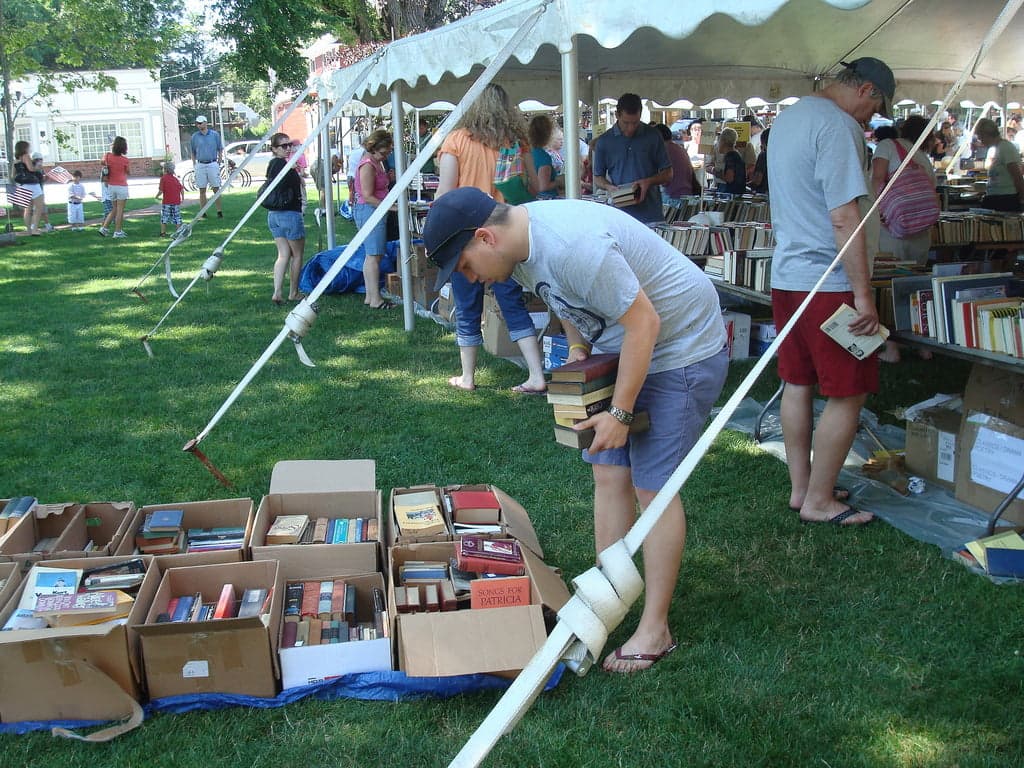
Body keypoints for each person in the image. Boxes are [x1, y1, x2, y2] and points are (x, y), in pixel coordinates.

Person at [422, 188, 728, 673]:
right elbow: (560, 298)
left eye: (464, 265)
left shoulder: (571, 245)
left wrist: (621, 413)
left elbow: (645, 323)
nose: (469, 278)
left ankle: (656, 628)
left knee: (654, 489)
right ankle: (611, 599)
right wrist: (580, 350)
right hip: (620, 344)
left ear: (485, 237)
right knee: (608, 473)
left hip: (681, 346)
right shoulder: (519, 250)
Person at [767, 56, 896, 527]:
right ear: (866, 91)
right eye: (876, 106)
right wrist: (864, 295)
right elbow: (846, 217)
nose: (872, 118)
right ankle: (820, 499)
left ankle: (802, 488)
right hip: (828, 281)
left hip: (787, 277)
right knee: (848, 391)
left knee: (797, 383)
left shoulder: (789, 117)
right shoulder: (838, 126)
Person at [435, 82, 547, 394]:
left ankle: (468, 377)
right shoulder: (516, 143)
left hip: (467, 236)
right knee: (512, 302)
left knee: (467, 305)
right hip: (506, 234)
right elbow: (536, 188)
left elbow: (445, 194)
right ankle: (536, 374)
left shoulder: (455, 141)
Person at [592, 93, 672, 223]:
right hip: (620, 217)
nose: (630, 128)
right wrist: (609, 187)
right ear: (617, 115)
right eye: (626, 123)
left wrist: (648, 182)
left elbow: (668, 173)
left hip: (651, 216)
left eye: (635, 123)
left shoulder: (653, 136)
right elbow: (597, 177)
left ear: (640, 115)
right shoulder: (604, 141)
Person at [871, 114, 938, 264]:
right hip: (920, 234)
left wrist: (874, 210)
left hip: (892, 231)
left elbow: (877, 178)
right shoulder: (923, 159)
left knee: (892, 280)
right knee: (914, 282)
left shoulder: (888, 145)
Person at [353, 129, 395, 310]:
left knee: (374, 254)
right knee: (373, 255)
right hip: (369, 210)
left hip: (373, 210)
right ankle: (375, 298)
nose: (386, 155)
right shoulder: (368, 165)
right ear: (374, 148)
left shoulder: (378, 163)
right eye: (384, 152)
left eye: (388, 151)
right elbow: (368, 195)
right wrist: (391, 207)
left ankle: (370, 296)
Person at [264, 132, 306, 305]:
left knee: (283, 254)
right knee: (297, 255)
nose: (288, 148)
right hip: (289, 214)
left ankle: (277, 292)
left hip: (273, 216)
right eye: (283, 146)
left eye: (290, 145)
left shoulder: (272, 165)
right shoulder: (284, 166)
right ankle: (293, 293)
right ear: (274, 149)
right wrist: (296, 171)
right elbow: (298, 186)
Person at [974, 117, 1024, 212]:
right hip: (994, 197)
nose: (981, 141)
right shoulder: (994, 149)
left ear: (987, 135)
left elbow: (1017, 175)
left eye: (981, 138)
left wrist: (1022, 198)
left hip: (1006, 198)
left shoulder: (1005, 148)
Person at [189, 116, 224, 219]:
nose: (199, 125)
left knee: (216, 188)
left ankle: (219, 211)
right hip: (200, 164)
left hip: (212, 163)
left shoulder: (214, 135)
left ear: (205, 123)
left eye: (200, 123)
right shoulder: (195, 136)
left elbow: (220, 149)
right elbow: (193, 152)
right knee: (202, 189)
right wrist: (194, 164)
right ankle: (203, 212)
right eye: (197, 123)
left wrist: (219, 161)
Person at [654, 123, 695, 204]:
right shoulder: (679, 148)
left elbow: (664, 180)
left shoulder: (664, 151)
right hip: (687, 195)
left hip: (673, 198)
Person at [98, 136, 130, 238]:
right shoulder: (125, 160)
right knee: (120, 210)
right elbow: (128, 172)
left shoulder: (107, 156)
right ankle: (118, 232)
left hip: (111, 186)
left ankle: (104, 228)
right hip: (121, 186)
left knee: (114, 209)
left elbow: (102, 163)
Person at [12, 142, 45, 235]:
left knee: (27, 209)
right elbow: (31, 169)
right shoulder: (26, 156)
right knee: (38, 208)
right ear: (24, 148)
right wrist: (38, 167)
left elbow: (12, 175)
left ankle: (28, 230)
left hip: (23, 186)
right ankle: (34, 229)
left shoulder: (15, 160)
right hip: (33, 185)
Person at [529, 115, 563, 199]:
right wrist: (559, 181)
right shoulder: (544, 156)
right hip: (546, 199)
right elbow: (543, 186)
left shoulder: (530, 152)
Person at [711, 127, 746, 195]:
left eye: (719, 140)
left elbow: (729, 178)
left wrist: (716, 172)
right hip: (738, 192)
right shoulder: (735, 154)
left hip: (732, 193)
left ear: (723, 142)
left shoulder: (731, 156)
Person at [155, 162, 185, 237]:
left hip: (167, 202)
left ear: (165, 170)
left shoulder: (163, 178)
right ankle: (178, 232)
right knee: (177, 217)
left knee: (164, 217)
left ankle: (163, 233)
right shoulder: (175, 179)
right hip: (176, 202)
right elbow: (181, 189)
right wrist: (183, 197)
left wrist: (157, 196)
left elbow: (161, 190)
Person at [748, 127, 771, 194]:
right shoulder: (780, 156)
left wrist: (745, 185)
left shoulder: (763, 156)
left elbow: (758, 180)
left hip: (763, 194)